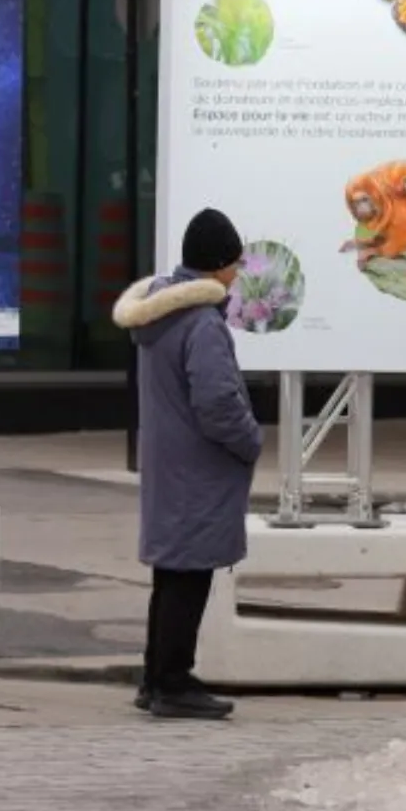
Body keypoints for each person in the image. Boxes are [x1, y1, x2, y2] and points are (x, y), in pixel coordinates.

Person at [112, 208, 262, 719]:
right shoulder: (202, 323)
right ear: (219, 266)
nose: (238, 274)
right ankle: (172, 681)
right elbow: (218, 402)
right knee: (190, 574)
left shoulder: (159, 316)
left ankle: (157, 676)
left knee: (172, 572)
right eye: (235, 263)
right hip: (199, 468)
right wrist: (251, 441)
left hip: (170, 464)